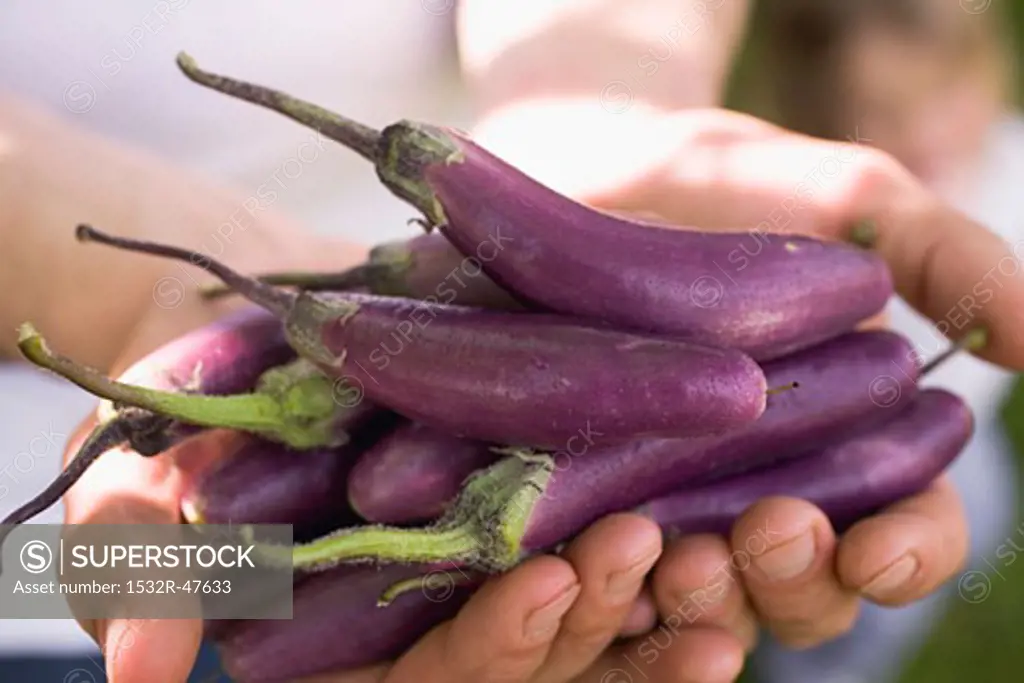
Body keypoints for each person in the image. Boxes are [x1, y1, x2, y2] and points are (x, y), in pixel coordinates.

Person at [2, 1, 1021, 681]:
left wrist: (600, 95)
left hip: (371, 289)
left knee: (944, 492)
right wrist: (122, 286)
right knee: (131, 584)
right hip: (61, 527)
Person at [738, 1, 1023, 681]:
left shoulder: (1013, 163)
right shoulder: (816, 221)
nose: (922, 132)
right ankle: (818, 666)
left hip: (964, 421)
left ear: (988, 76)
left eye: (942, 97)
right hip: (837, 433)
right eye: (884, 114)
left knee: (977, 512)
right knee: (845, 569)